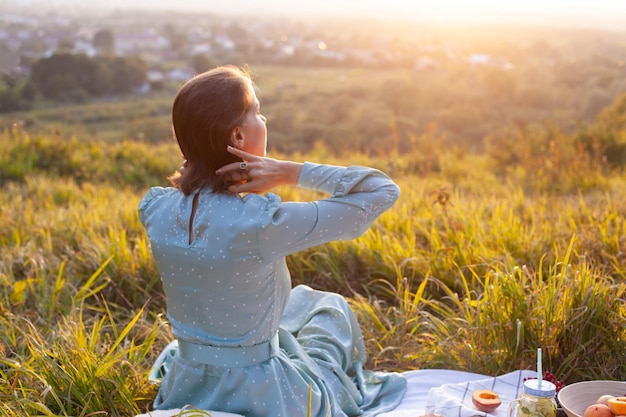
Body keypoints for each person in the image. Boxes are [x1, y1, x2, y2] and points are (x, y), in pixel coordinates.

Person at [138, 65, 406, 417]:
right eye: (257, 112)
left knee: (303, 302)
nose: (263, 120)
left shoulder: (155, 208)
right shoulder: (261, 222)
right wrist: (289, 171)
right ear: (237, 136)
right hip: (264, 394)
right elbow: (382, 190)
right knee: (331, 311)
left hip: (188, 382)